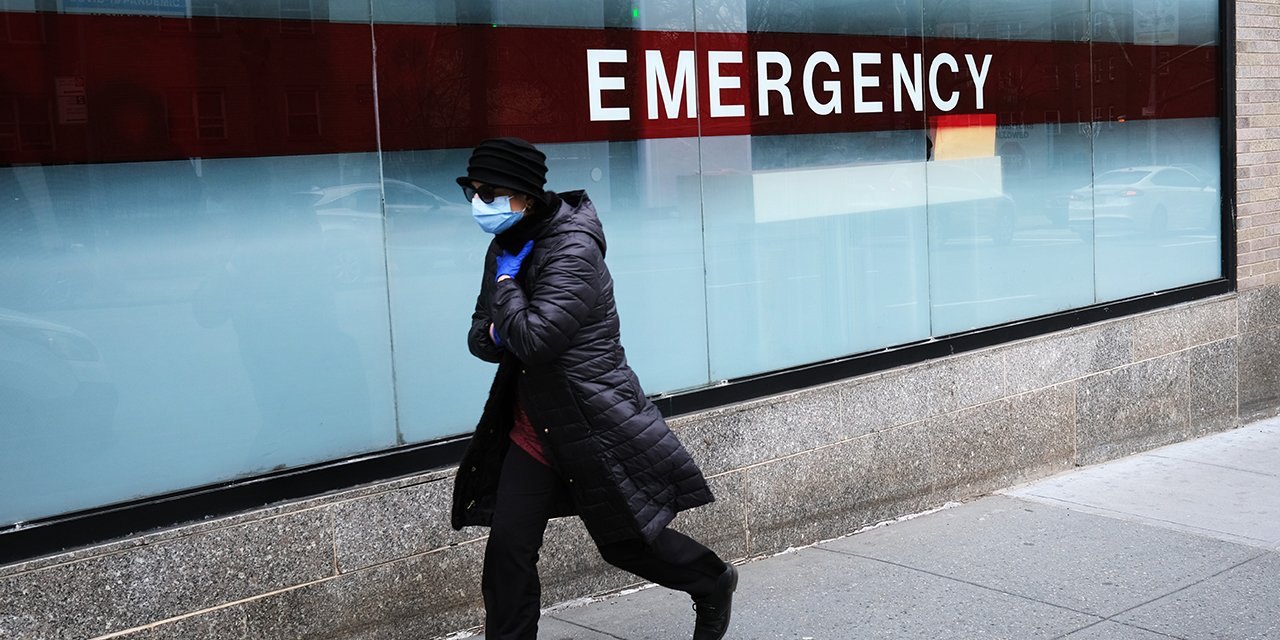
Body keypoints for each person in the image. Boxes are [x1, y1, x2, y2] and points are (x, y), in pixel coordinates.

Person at [450, 137, 737, 640]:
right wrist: (504, 318)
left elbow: (536, 340)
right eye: (474, 192)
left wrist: (505, 291)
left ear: (526, 195)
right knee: (508, 551)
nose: (480, 203)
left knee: (626, 545)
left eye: (490, 192)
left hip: (591, 419)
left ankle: (712, 580)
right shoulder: (506, 245)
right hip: (532, 425)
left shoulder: (573, 247)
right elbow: (481, 337)